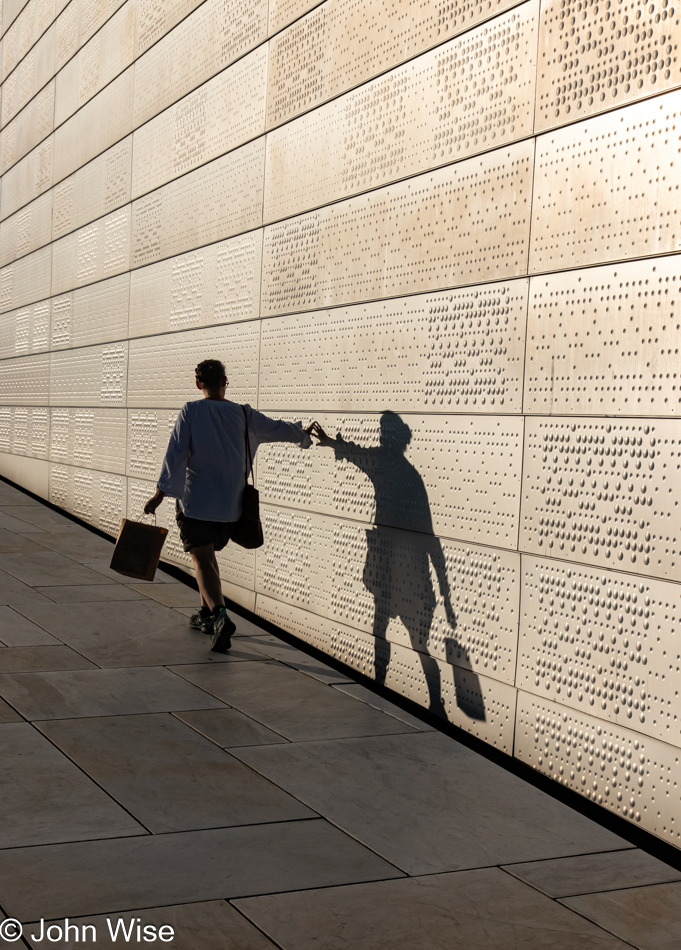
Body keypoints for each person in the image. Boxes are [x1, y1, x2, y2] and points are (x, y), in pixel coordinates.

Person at [144, 359, 313, 653]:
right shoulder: (244, 415)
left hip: (195, 504)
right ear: (225, 382)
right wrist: (303, 433)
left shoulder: (192, 411)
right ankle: (207, 615)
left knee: (201, 561)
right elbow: (279, 429)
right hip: (230, 509)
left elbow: (176, 454)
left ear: (199, 385)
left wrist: (160, 493)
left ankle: (221, 615)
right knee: (208, 560)